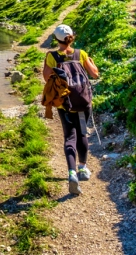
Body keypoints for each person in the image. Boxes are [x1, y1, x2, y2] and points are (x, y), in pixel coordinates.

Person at [42, 24, 100, 196]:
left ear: (56, 39)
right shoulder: (80, 54)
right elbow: (95, 74)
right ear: (71, 37)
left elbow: (47, 78)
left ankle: (72, 173)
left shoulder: (51, 56)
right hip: (83, 101)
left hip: (64, 103)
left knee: (69, 136)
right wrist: (92, 64)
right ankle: (82, 168)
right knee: (82, 134)